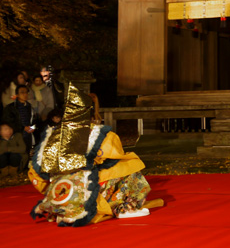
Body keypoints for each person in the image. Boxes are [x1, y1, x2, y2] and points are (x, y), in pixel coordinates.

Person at [28, 82, 160, 226]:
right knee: (129, 167)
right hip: (88, 188)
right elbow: (115, 155)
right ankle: (125, 208)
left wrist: (51, 186)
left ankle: (64, 208)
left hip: (61, 192)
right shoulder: (98, 134)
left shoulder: (54, 135)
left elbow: (36, 172)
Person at [2, 84, 39, 156]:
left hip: (28, 135)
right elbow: (8, 122)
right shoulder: (11, 108)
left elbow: (35, 120)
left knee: (26, 155)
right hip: (16, 136)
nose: (25, 94)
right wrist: (22, 128)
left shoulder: (30, 107)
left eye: (26, 92)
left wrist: (33, 127)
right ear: (17, 94)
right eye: (22, 92)